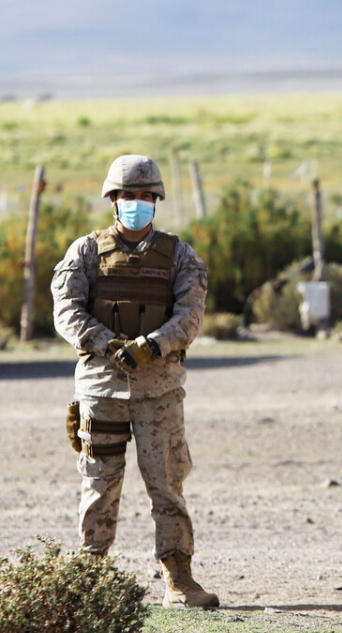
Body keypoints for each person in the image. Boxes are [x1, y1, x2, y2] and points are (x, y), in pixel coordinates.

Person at [51, 154, 218, 608]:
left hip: (158, 391)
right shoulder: (85, 252)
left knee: (167, 483)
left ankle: (178, 579)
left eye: (146, 196)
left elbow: (190, 315)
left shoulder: (181, 256)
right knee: (98, 484)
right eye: (129, 196)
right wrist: (107, 342)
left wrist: (152, 344)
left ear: (157, 201)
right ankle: (90, 580)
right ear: (113, 200)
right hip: (100, 390)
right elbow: (66, 310)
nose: (137, 204)